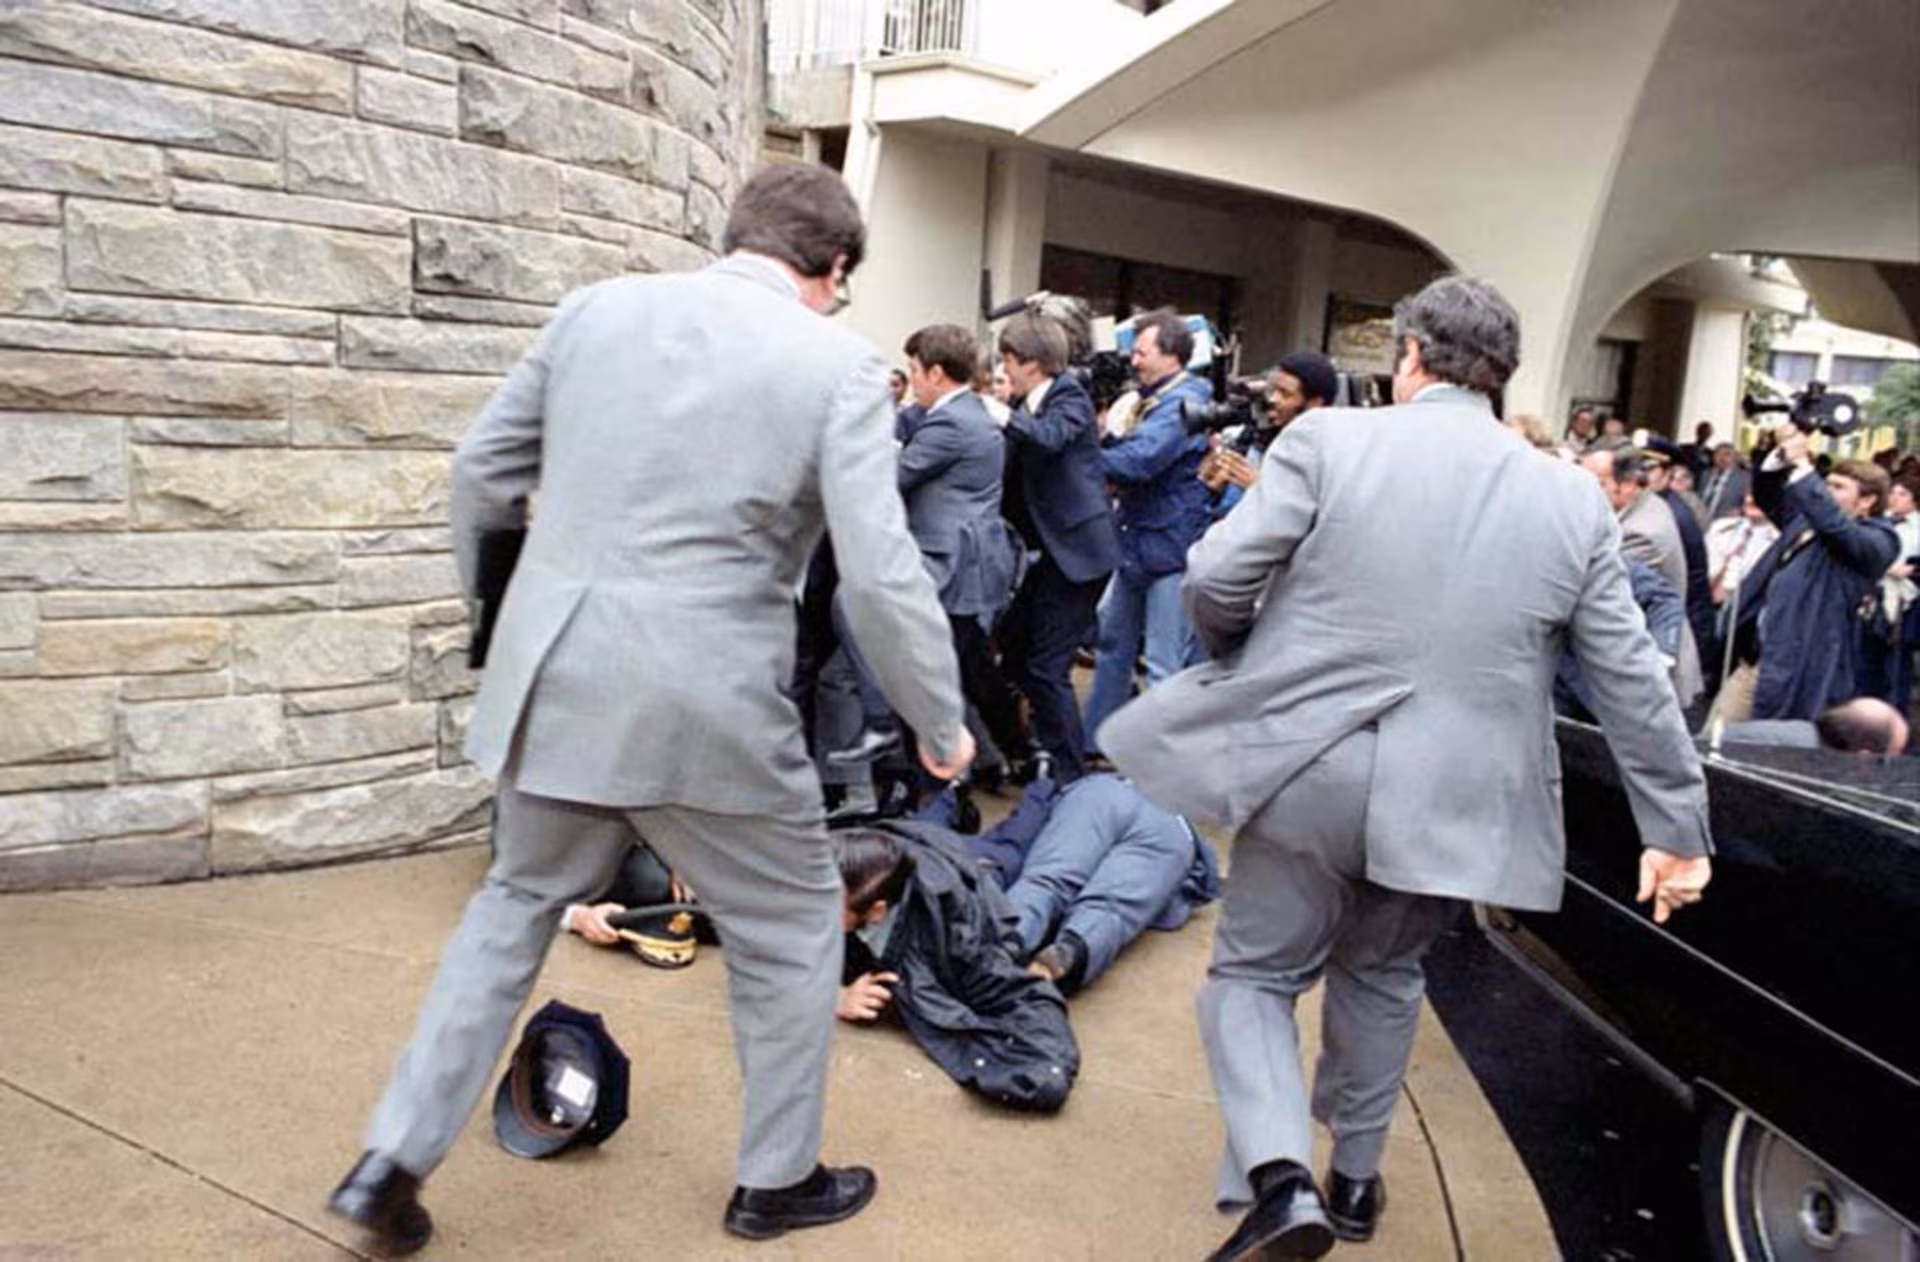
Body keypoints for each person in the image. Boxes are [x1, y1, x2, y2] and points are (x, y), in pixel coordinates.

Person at [326, 164, 975, 1254]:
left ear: (738, 234)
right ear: (836, 267)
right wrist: (939, 718)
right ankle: (775, 1180)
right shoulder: (839, 366)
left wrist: (507, 624)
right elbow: (880, 572)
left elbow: (482, 472)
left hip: (557, 683)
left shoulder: (596, 310)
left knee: (510, 907)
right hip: (707, 706)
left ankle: (388, 1159)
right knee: (790, 923)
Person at [1100, 276, 1712, 1260]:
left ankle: (1280, 1179)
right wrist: (1676, 829)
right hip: (1460, 792)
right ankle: (1351, 1180)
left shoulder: (1329, 440)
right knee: (1385, 972)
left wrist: (1239, 653)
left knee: (1253, 974)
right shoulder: (1571, 497)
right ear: (1499, 376)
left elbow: (1216, 578)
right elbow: (1632, 676)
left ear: (1411, 358)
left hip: (1309, 763)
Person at [833, 824, 1080, 1112]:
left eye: (829, 907)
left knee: (1045, 870)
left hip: (983, 874)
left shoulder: (953, 940)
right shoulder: (830, 875)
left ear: (877, 912)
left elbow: (1031, 1007)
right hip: (936, 848)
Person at [1083, 311, 1216, 754]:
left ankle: (1156, 763)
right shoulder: (1151, 400)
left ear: (1172, 355)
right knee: (1112, 647)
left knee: (1163, 662)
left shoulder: (1185, 404)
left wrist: (1082, 453)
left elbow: (1140, 460)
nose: (1133, 360)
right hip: (1138, 541)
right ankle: (1097, 742)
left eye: (1142, 351)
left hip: (1169, 547)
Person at [997, 312, 1122, 781]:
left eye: (1007, 360)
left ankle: (1070, 777)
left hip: (1080, 557)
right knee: (1014, 649)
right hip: (1050, 555)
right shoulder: (1027, 403)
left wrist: (1001, 415)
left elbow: (1051, 440)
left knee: (1048, 667)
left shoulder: (1067, 395)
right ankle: (1034, 747)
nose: (1003, 369)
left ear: (1031, 362)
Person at [1732, 429, 1899, 722]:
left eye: (1839, 486)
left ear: (1867, 502)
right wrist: (1781, 456)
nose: (1826, 490)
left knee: (1771, 752)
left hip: (1802, 672)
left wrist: (1804, 468)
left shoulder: (1880, 540)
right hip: (1758, 660)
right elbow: (1768, 493)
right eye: (1827, 483)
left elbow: (1837, 529)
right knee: (1713, 742)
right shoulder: (1806, 520)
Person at [1580, 442, 1705, 708]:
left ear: (1627, 486)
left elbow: (1594, 585)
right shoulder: (1641, 505)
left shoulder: (1642, 533)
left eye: (1595, 483)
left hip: (1648, 674)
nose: (1581, 492)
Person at [1197, 351, 1338, 509]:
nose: (1273, 399)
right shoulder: (1258, 438)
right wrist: (1214, 487)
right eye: (1274, 390)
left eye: (1285, 394)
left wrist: (1261, 489)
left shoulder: (1327, 459)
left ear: (1314, 404)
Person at [1700, 442, 1751, 520]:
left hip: (1724, 522)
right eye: (1718, 454)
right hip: (1699, 520)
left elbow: (1752, 504)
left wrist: (1741, 511)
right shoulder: (1705, 474)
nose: (1722, 458)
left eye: (1727, 454)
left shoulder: (1744, 478)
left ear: (1735, 457)